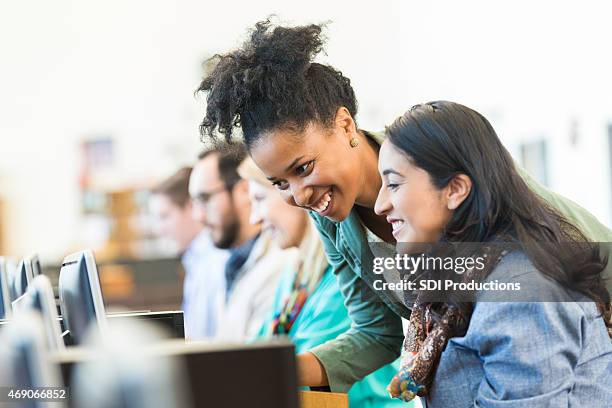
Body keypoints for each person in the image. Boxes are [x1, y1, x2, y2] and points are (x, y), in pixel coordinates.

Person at [196, 20, 612, 397]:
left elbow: (555, 272)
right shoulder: (334, 219)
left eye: (304, 168)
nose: (300, 196)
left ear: (344, 125)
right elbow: (377, 332)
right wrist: (265, 369)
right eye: (280, 184)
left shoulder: (439, 161)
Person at [375, 101, 612, 406]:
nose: (380, 204)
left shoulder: (521, 292)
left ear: (456, 189)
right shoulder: (468, 273)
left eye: (393, 184)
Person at [239, 157, 410, 407]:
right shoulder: (295, 277)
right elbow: (258, 354)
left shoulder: (341, 282)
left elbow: (298, 382)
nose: (254, 218)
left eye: (260, 199)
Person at [189, 143, 288, 340]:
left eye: (205, 198)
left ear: (243, 191)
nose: (198, 215)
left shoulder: (280, 263)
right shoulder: (233, 262)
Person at [150, 167, 229, 340]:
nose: (159, 230)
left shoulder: (216, 261)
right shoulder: (195, 260)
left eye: (164, 216)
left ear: (190, 206)